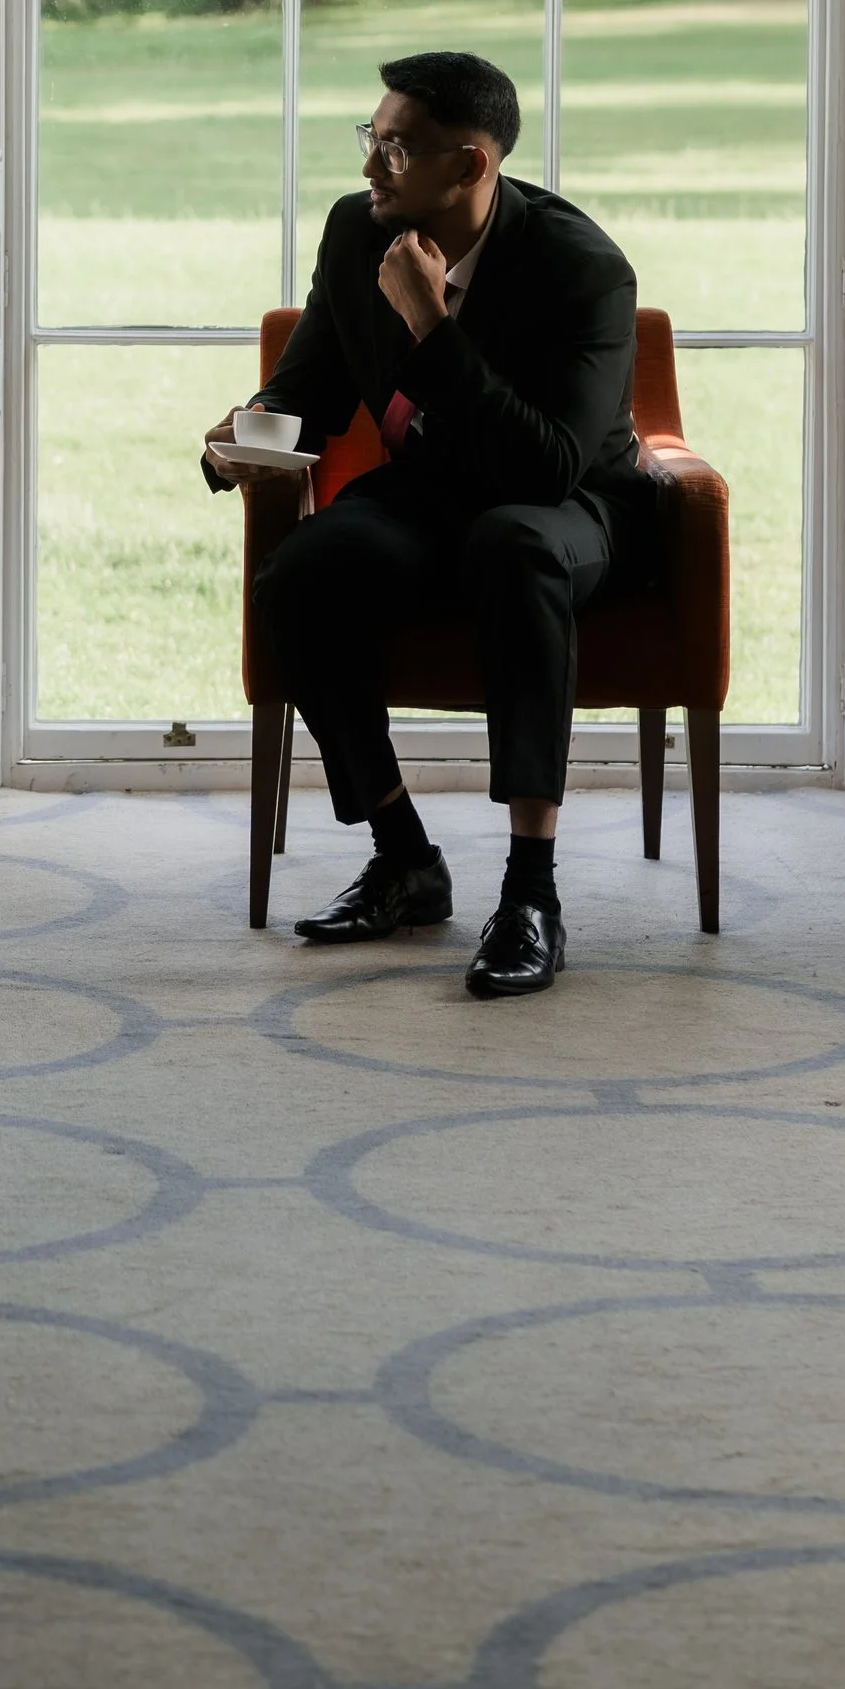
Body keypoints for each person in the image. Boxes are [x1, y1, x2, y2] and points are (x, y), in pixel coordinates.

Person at [205, 50, 647, 999]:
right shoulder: (355, 230)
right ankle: (404, 856)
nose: (371, 166)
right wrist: (242, 438)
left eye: (397, 149)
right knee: (303, 573)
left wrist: (431, 331)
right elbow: (310, 381)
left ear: (471, 165)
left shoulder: (584, 269)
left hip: (565, 512)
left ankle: (533, 896)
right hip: (430, 497)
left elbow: (549, 468)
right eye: (373, 138)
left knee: (514, 542)